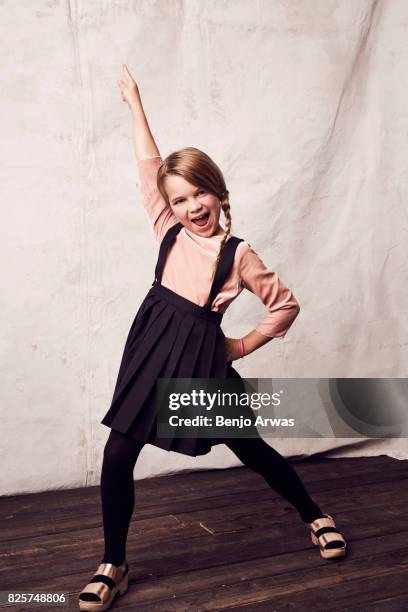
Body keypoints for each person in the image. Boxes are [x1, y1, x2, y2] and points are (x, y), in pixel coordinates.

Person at [78, 64, 346, 611]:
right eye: (179, 199)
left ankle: (316, 515)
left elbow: (285, 305)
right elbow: (149, 164)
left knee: (250, 447)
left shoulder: (239, 254)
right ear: (168, 206)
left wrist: (242, 346)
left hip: (199, 360)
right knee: (117, 453)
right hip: (151, 351)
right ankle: (114, 563)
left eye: (200, 193)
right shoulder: (166, 229)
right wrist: (135, 106)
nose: (191, 206)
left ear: (220, 193)